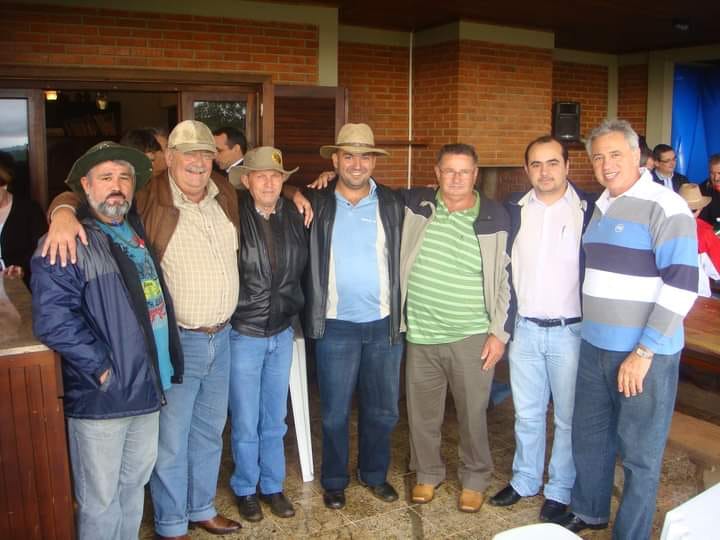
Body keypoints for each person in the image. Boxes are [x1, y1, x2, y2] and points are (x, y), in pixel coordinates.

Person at [42, 120, 243, 539]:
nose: (198, 161)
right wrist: (60, 211)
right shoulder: (144, 198)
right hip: (159, 352)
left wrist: (297, 192)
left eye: (206, 153)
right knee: (155, 454)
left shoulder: (220, 193)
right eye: (188, 153)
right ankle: (171, 523)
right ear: (168, 158)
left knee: (200, 437)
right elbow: (55, 316)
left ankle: (200, 507)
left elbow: (266, 183)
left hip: (204, 344)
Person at [30, 142, 183, 540]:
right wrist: (102, 368)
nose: (117, 186)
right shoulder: (67, 240)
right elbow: (53, 320)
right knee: (100, 500)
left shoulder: (134, 230)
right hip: (105, 396)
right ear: (86, 185)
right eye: (106, 177)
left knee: (133, 487)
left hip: (147, 387)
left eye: (124, 177)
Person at [558, 119, 698, 538]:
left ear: (638, 156)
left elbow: (682, 284)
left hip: (643, 355)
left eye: (616, 154)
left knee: (640, 453)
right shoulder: (601, 205)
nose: (606, 164)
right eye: (598, 157)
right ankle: (589, 511)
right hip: (594, 346)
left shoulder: (665, 206)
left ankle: (631, 533)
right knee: (591, 437)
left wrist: (644, 351)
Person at [488, 135, 595, 522]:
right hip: (526, 330)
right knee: (528, 414)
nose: (544, 171)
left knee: (567, 417)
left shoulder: (590, 209)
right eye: (536, 164)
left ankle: (559, 488)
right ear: (526, 169)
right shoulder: (512, 209)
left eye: (552, 163)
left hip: (571, 332)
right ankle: (525, 480)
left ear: (567, 165)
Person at [402, 143, 512, 513]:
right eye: (449, 171)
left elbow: (505, 280)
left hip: (472, 335)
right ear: (437, 172)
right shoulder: (416, 205)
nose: (456, 178)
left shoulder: (495, 215)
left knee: (472, 414)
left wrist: (499, 333)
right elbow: (368, 190)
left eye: (464, 172)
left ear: (475, 175)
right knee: (422, 413)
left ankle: (475, 478)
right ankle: (427, 472)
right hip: (421, 334)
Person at [300, 123, 405, 510]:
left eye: (364, 156)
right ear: (335, 160)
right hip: (335, 326)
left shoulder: (393, 203)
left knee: (384, 410)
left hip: (384, 324)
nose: (357, 164)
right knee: (334, 412)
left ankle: (374, 474)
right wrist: (296, 190)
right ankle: (334, 480)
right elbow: (265, 194)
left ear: (374, 161)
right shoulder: (316, 201)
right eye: (348, 156)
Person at [227, 147, 307, 522]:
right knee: (246, 419)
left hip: (281, 331)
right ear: (247, 180)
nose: (269, 183)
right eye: (261, 176)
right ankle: (246, 487)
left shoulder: (293, 214)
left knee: (275, 418)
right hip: (244, 331)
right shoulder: (232, 212)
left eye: (276, 176)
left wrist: (296, 192)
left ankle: (272, 485)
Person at [0, 155, 47, 287]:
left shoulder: (30, 210)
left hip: (20, 284)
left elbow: (41, 250)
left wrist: (22, 268)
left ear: (4, 185)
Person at [679, 182, 720, 297]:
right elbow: (716, 272)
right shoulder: (704, 232)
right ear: (700, 208)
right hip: (697, 296)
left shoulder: (660, 225)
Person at [698, 153, 720, 229]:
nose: (716, 178)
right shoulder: (702, 190)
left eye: (719, 173)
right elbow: (702, 221)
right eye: (712, 173)